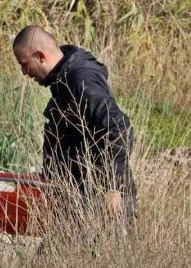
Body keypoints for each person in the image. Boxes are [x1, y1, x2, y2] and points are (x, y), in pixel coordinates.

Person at [11, 26, 136, 220]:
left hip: (103, 203)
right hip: (77, 201)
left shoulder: (80, 79)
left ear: (40, 56)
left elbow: (118, 128)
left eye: (25, 64)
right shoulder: (63, 81)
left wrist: (111, 187)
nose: (24, 73)